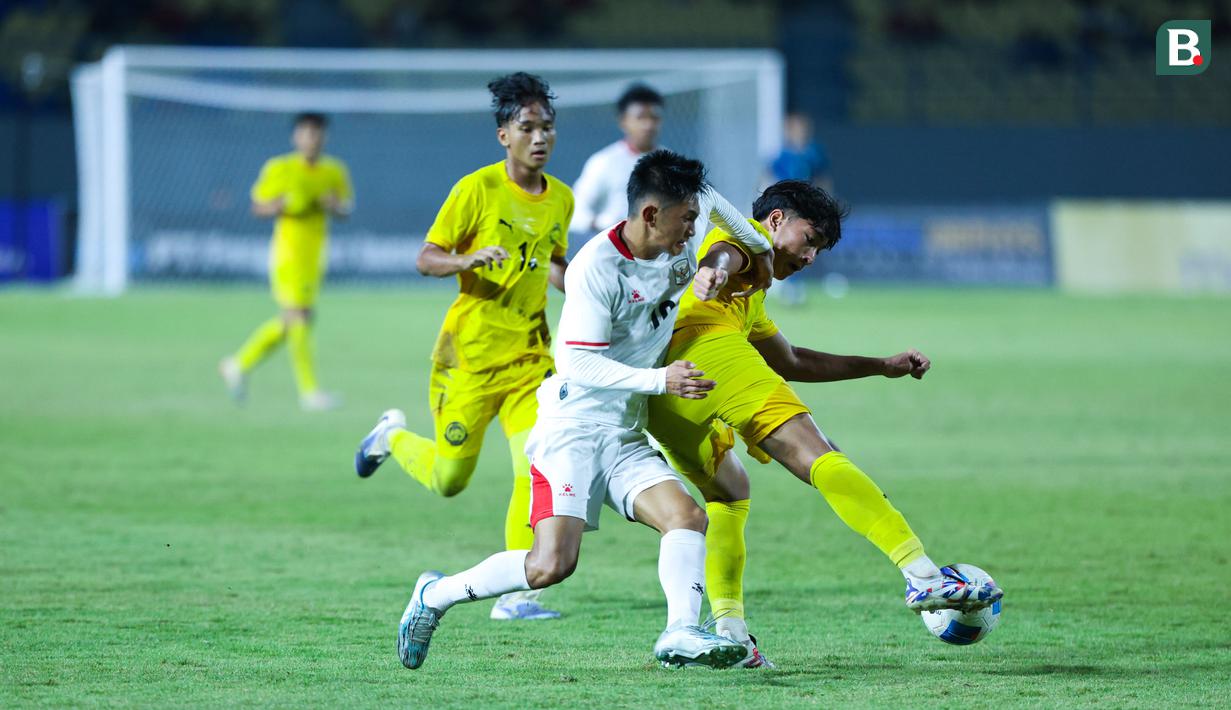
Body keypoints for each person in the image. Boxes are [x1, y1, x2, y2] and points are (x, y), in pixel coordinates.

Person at [393, 150, 778, 671]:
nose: (695, 230)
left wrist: (719, 264)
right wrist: (660, 379)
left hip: (624, 430)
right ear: (650, 215)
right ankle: (435, 595)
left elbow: (750, 236)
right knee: (552, 565)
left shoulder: (689, 218)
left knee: (686, 517)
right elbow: (576, 363)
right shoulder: (598, 267)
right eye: (687, 221)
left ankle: (680, 632)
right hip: (572, 429)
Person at [646, 180, 1005, 667]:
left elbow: (792, 360)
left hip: (664, 394)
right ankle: (923, 575)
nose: (810, 257)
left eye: (818, 250)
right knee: (819, 453)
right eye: (809, 239)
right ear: (777, 220)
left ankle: (731, 632)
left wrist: (881, 365)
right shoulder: (748, 237)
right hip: (708, 351)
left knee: (729, 492)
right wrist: (712, 269)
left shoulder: (750, 298)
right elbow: (726, 253)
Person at [352, 73, 572, 621]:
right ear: (504, 135)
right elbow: (426, 258)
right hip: (469, 358)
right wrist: (466, 260)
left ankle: (518, 595)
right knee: (450, 480)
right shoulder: (476, 190)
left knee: (533, 466)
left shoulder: (561, 198)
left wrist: (592, 290)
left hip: (530, 360)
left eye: (547, 127)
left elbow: (553, 263)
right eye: (528, 127)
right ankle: (390, 437)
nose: (540, 137)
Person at [219, 112, 352, 411]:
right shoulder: (280, 168)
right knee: (299, 316)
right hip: (287, 253)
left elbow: (346, 209)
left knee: (296, 320)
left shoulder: (334, 171)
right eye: (306, 132)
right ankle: (309, 393)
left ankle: (238, 365)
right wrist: (283, 204)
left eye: (317, 133)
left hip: (314, 255)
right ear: (296, 136)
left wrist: (334, 206)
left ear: (324, 137)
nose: (311, 139)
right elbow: (258, 207)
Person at [570, 83, 664, 236]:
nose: (648, 125)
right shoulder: (604, 162)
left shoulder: (672, 164)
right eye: (640, 117)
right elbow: (575, 208)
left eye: (654, 117)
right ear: (623, 121)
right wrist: (597, 223)